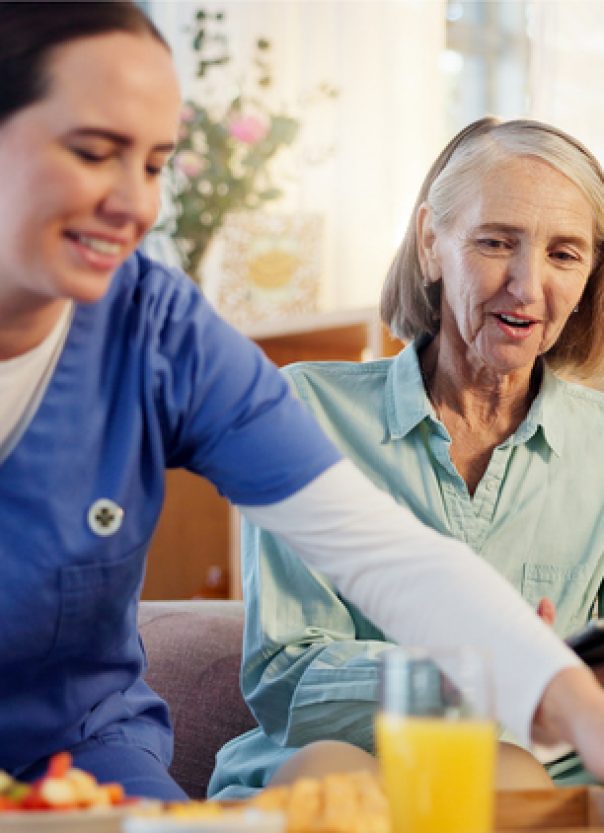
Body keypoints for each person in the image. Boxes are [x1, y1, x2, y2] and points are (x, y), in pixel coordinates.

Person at [2, 1, 604, 801]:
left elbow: (382, 550)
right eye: (92, 152)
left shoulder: (160, 332)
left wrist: (563, 700)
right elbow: (289, 669)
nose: (135, 206)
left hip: (81, 761)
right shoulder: (323, 394)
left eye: (152, 165)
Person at [209, 116, 604, 799]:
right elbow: (285, 673)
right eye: (495, 241)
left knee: (511, 776)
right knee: (336, 777)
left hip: (529, 782)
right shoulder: (309, 407)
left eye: (563, 254)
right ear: (431, 243)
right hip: (328, 769)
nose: (526, 283)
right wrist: (469, 672)